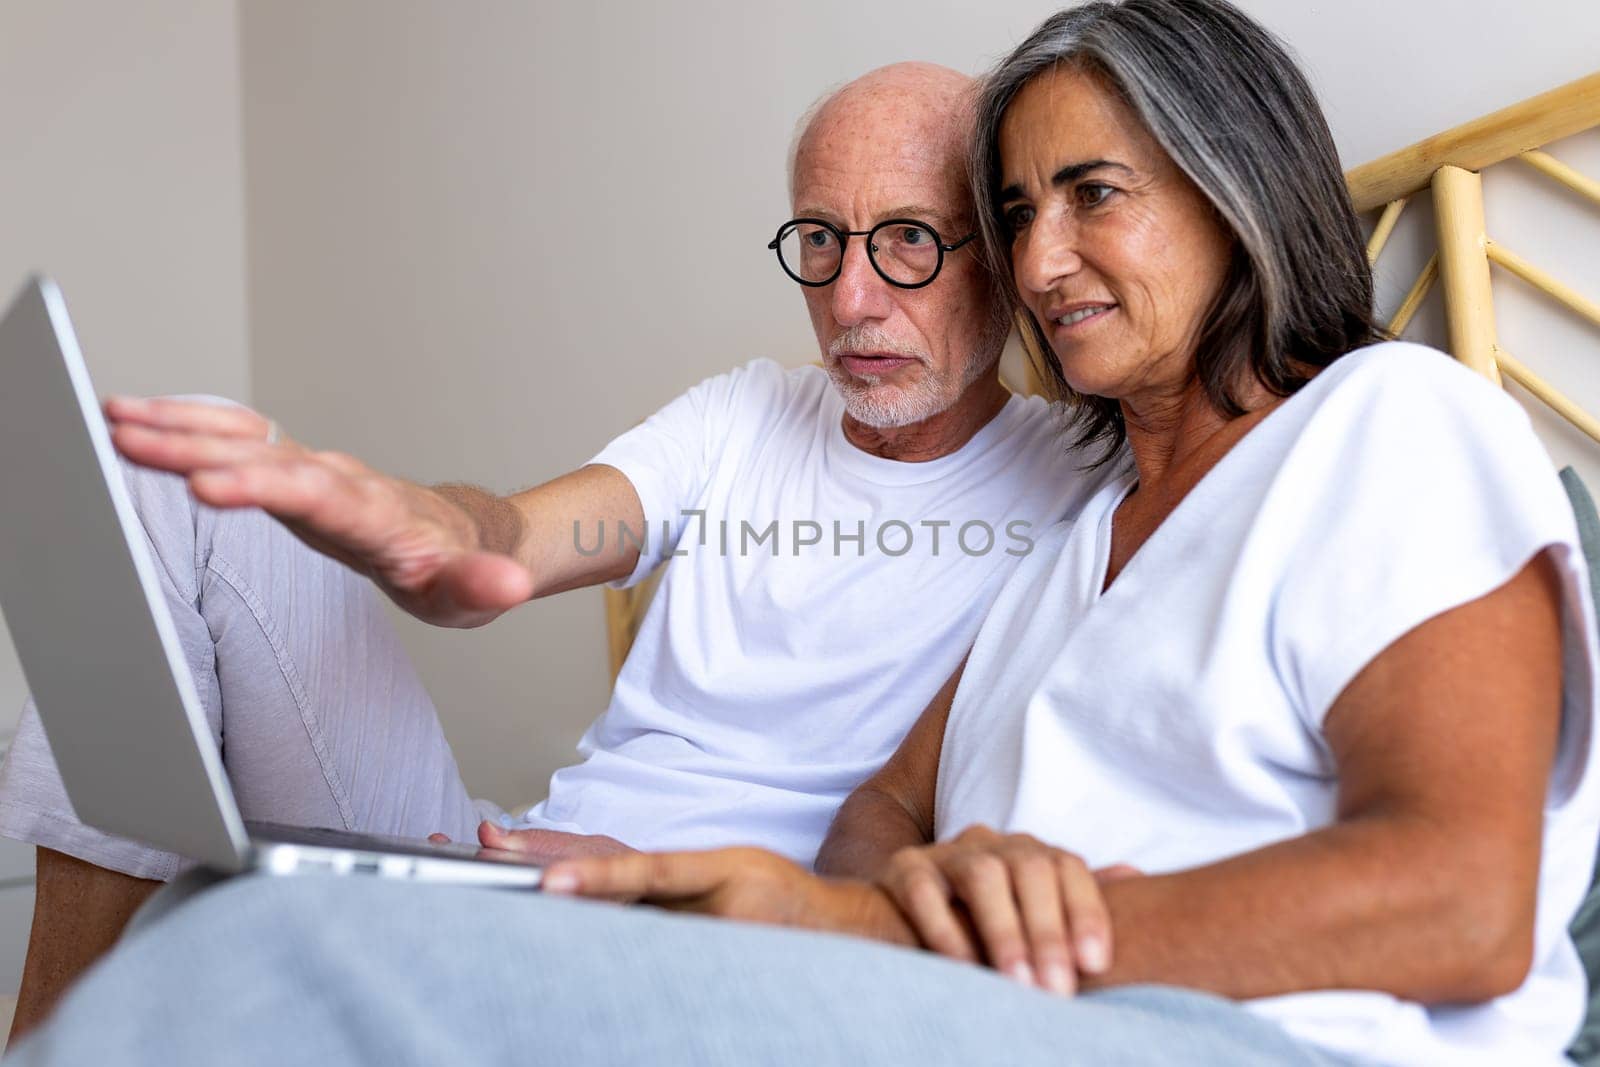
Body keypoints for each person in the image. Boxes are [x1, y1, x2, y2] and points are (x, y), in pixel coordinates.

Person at [10, 1, 1595, 1065]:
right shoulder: (1084, 548)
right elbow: (871, 821)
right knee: (244, 864)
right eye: (1023, 210)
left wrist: (930, 918)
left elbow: (1469, 898)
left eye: (1084, 197)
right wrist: (434, 529)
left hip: (1163, 1013)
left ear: (1232, 185)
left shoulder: (1377, 420)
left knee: (266, 953)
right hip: (826, 951)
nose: (1045, 262)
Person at [0, 62, 1107, 1039]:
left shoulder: (1088, 484)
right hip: (514, 859)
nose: (850, 298)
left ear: (1003, 256)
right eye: (819, 239)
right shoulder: (744, 415)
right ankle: (48, 1033)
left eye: (908, 239)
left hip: (723, 931)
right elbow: (520, 534)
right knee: (168, 471)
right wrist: (434, 526)